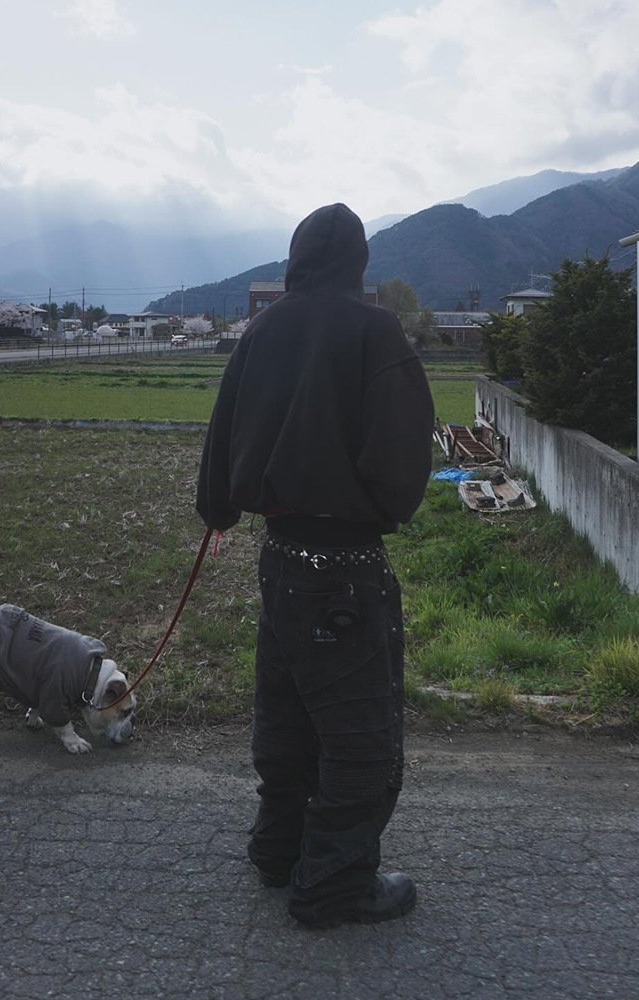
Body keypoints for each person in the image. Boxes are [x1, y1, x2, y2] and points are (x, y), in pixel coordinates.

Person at [196, 203, 434, 928]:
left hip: (279, 562)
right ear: (358, 264)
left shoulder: (262, 331)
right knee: (360, 736)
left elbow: (221, 438)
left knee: (289, 714)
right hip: (347, 568)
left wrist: (218, 512)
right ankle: (333, 884)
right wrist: (379, 504)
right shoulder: (376, 333)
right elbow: (400, 467)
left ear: (296, 259)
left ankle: (279, 850)